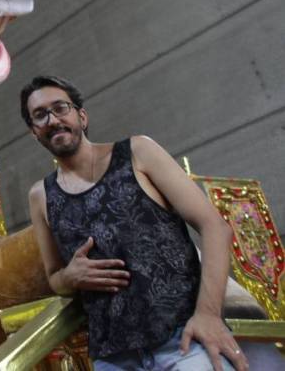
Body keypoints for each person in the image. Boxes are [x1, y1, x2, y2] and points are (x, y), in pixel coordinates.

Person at [22, 75, 246, 371]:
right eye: (40, 115)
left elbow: (214, 227)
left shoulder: (138, 152)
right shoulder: (40, 196)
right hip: (114, 357)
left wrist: (208, 315)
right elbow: (54, 277)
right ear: (34, 132)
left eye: (60, 108)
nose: (52, 119)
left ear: (81, 115)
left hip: (184, 340)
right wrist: (70, 277)